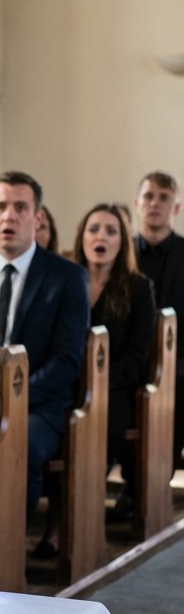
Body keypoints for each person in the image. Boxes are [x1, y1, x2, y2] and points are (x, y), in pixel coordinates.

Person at [0, 171, 89, 558]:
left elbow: (66, 362)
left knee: (20, 444)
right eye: (1, 207)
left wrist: (10, 400)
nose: (9, 216)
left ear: (38, 217)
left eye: (20, 207)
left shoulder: (66, 277)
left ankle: (7, 555)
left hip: (40, 407)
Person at [72, 203, 155, 508]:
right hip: (69, 382)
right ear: (82, 237)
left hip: (115, 389)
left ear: (123, 242)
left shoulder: (138, 288)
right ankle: (59, 508)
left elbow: (137, 354)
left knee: (102, 420)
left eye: (111, 231)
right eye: (94, 229)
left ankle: (85, 507)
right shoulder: (68, 280)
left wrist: (97, 383)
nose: (101, 237)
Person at [133, 171, 184, 470]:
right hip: (131, 359)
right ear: (137, 203)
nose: (155, 203)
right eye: (149, 196)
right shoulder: (122, 251)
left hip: (180, 363)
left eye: (164, 197)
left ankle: (161, 475)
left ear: (176, 207)